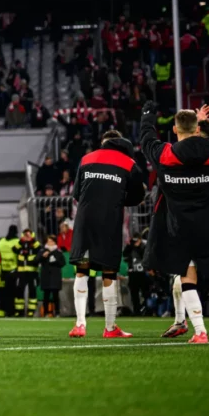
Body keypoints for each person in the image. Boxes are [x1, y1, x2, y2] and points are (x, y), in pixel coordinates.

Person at [140, 92, 209, 343]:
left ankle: (200, 332)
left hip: (180, 226)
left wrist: (147, 116)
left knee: (187, 276)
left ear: (176, 129)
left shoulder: (164, 155)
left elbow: (147, 139)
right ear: (198, 127)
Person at [67, 129, 145, 338]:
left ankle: (80, 324)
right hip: (109, 223)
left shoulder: (86, 159)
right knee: (109, 273)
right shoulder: (128, 163)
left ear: (103, 143)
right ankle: (110, 328)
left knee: (82, 270)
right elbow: (139, 194)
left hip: (84, 221)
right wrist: (117, 198)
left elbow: (76, 194)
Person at [14, 229, 41, 317]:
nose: (27, 236)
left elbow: (39, 248)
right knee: (19, 291)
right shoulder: (20, 243)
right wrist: (22, 241)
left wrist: (31, 240)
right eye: (26, 234)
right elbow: (14, 249)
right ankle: (19, 311)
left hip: (32, 272)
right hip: (21, 272)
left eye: (29, 234)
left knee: (32, 291)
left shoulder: (34, 243)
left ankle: (31, 311)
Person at [39, 236, 66, 317]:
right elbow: (36, 260)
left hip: (55, 277)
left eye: (51, 241)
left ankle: (57, 312)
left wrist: (56, 261)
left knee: (55, 296)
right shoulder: (42, 251)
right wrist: (42, 256)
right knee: (46, 295)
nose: (49, 243)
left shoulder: (58, 252)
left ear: (54, 242)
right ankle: (46, 312)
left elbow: (63, 263)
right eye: (48, 241)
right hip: (46, 276)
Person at [0, 225, 20, 317]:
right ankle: (11, 311)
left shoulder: (1, 241)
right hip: (13, 270)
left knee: (2, 293)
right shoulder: (17, 242)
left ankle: (1, 312)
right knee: (12, 292)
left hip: (2, 271)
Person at [124, 236, 149, 315]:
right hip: (133, 273)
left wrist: (138, 247)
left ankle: (147, 310)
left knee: (145, 293)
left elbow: (145, 256)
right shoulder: (130, 247)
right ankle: (136, 311)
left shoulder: (144, 246)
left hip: (142, 273)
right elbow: (124, 254)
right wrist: (130, 245)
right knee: (134, 293)